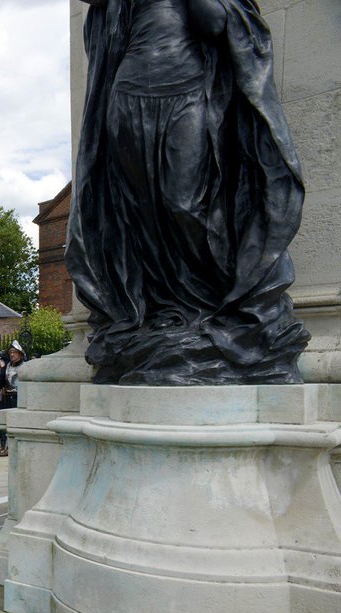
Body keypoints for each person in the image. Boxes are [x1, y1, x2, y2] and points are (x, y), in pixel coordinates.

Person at [69, 0, 306, 385]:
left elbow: (214, 22)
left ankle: (213, 305)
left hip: (185, 86)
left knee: (184, 202)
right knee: (141, 211)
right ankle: (163, 310)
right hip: (127, 93)